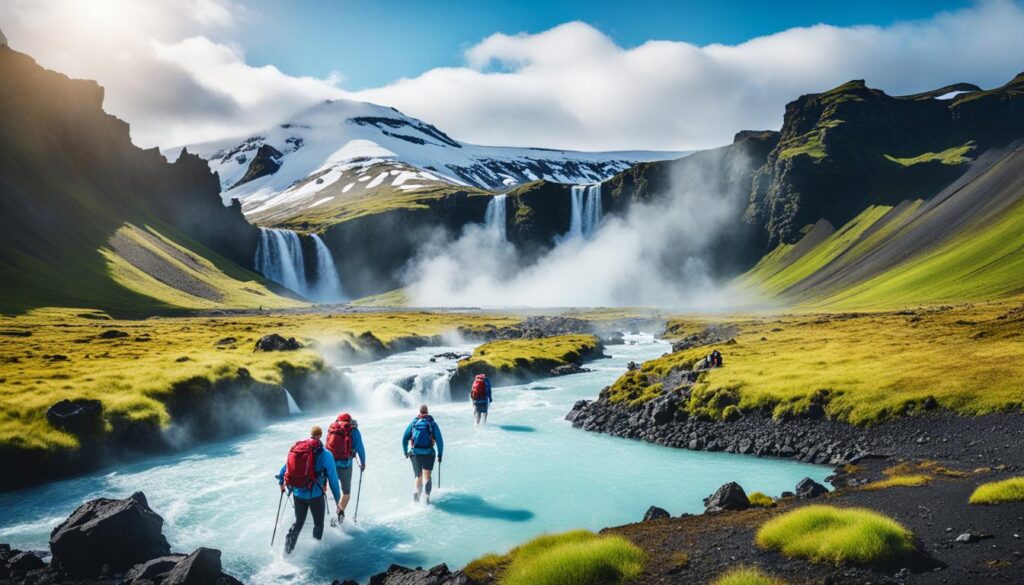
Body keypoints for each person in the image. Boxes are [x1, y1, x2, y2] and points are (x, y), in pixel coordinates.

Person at [277, 426, 341, 554]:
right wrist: (338, 501)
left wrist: (281, 483)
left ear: (310, 435)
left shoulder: (298, 450)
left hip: (298, 493)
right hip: (315, 495)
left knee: (298, 522)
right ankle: (315, 553)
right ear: (320, 436)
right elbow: (333, 479)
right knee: (318, 524)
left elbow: (285, 468)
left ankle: (286, 552)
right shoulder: (325, 454)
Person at [325, 412, 366, 524]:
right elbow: (360, 449)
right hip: (345, 465)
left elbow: (326, 448)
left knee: (331, 488)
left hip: (330, 464)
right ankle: (339, 513)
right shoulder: (353, 431)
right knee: (346, 493)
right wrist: (363, 464)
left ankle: (327, 511)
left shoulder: (332, 428)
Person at [402, 405, 444, 504]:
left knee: (418, 476)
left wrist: (406, 452)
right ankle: (427, 496)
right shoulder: (432, 423)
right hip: (428, 453)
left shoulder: (413, 423)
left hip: (415, 454)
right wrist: (440, 454)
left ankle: (416, 493)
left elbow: (404, 439)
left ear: (419, 412)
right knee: (427, 476)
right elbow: (440, 441)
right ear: (427, 412)